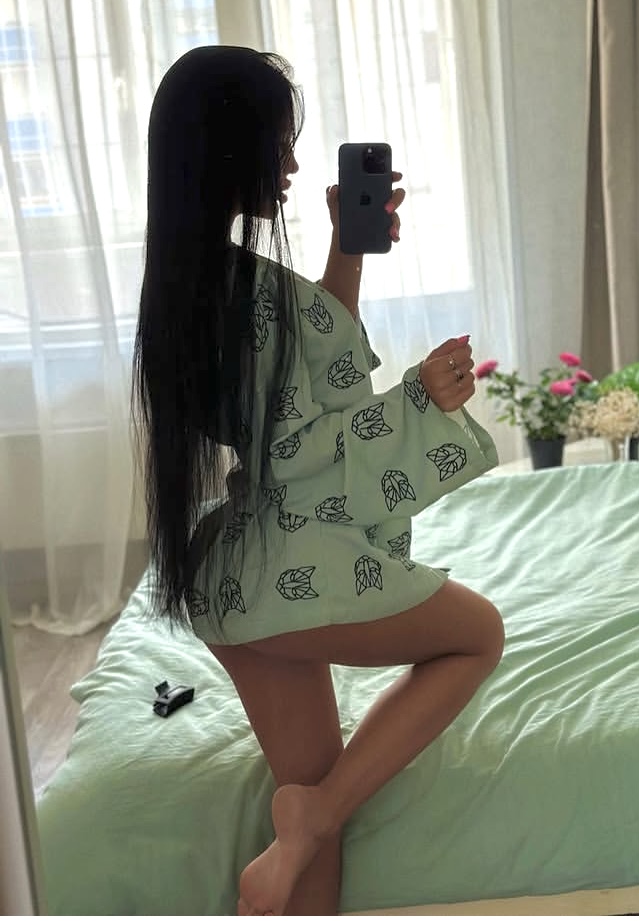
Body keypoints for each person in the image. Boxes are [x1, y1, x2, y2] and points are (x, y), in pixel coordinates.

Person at [132, 45, 504, 916]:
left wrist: (347, 248)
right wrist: (421, 397)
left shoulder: (188, 285)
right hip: (291, 567)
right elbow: (310, 448)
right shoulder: (247, 292)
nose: (293, 166)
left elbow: (303, 381)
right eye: (278, 146)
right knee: (476, 635)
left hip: (233, 581)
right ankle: (314, 814)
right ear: (229, 151)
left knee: (311, 846)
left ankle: (306, 828)